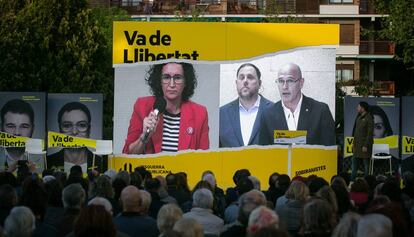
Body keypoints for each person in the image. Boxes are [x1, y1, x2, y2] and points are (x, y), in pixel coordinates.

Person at [123, 62, 209, 154]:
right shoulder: (142, 106)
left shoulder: (200, 113)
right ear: (159, 81)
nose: (172, 84)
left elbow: (203, 160)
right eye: (166, 77)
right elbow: (128, 154)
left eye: (177, 78)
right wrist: (144, 137)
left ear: (185, 82)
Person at [259, 63, 335, 146]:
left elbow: (329, 151)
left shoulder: (320, 111)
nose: (284, 87)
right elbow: (264, 154)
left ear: (301, 83)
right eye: (281, 81)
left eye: (290, 81)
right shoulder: (268, 114)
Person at [219, 63, 272, 147]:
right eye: (241, 77)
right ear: (236, 83)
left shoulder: (275, 111)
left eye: (250, 77)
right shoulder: (222, 113)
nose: (245, 81)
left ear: (259, 83)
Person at [47, 102, 102, 173]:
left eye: (82, 125)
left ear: (89, 130)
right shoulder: (49, 161)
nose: (74, 132)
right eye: (67, 125)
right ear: (60, 130)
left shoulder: (100, 162)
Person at [0, 99, 35, 169]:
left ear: (33, 129)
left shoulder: (43, 159)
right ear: (1, 128)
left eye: (24, 126)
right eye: (11, 126)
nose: (17, 133)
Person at [351, 101, 374, 181]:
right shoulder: (358, 117)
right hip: (357, 147)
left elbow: (370, 134)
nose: (357, 108)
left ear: (363, 108)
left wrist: (366, 145)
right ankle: (351, 182)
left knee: (366, 167)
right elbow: (355, 133)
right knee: (354, 167)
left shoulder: (369, 118)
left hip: (365, 147)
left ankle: (367, 183)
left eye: (358, 107)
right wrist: (353, 144)